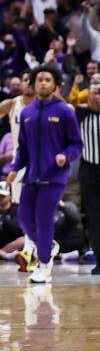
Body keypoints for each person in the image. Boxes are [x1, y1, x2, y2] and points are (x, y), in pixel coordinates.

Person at [9, 65, 83, 284]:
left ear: (55, 85)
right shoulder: (27, 113)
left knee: (43, 219)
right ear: (33, 84)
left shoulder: (64, 111)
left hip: (54, 176)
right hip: (31, 176)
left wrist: (65, 156)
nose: (42, 83)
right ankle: (48, 246)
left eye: (47, 79)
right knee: (23, 218)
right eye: (39, 79)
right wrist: (14, 169)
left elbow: (76, 144)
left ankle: (43, 264)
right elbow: (22, 148)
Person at [0, 71, 39, 270]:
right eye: (26, 79)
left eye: (34, 80)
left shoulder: (48, 104)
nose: (29, 83)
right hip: (19, 165)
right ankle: (36, 251)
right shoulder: (12, 104)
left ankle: (37, 251)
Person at [76, 77, 100, 274]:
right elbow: (58, 102)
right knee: (94, 217)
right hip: (90, 170)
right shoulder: (80, 113)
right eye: (94, 85)